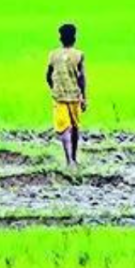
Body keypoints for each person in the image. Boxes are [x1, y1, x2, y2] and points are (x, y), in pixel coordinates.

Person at [47, 24, 87, 168]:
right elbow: (82, 78)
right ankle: (73, 159)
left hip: (59, 97)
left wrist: (54, 88)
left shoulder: (53, 55)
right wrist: (84, 97)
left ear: (60, 38)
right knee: (74, 128)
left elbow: (48, 75)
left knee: (65, 128)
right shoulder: (79, 55)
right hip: (74, 96)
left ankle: (69, 160)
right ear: (74, 38)